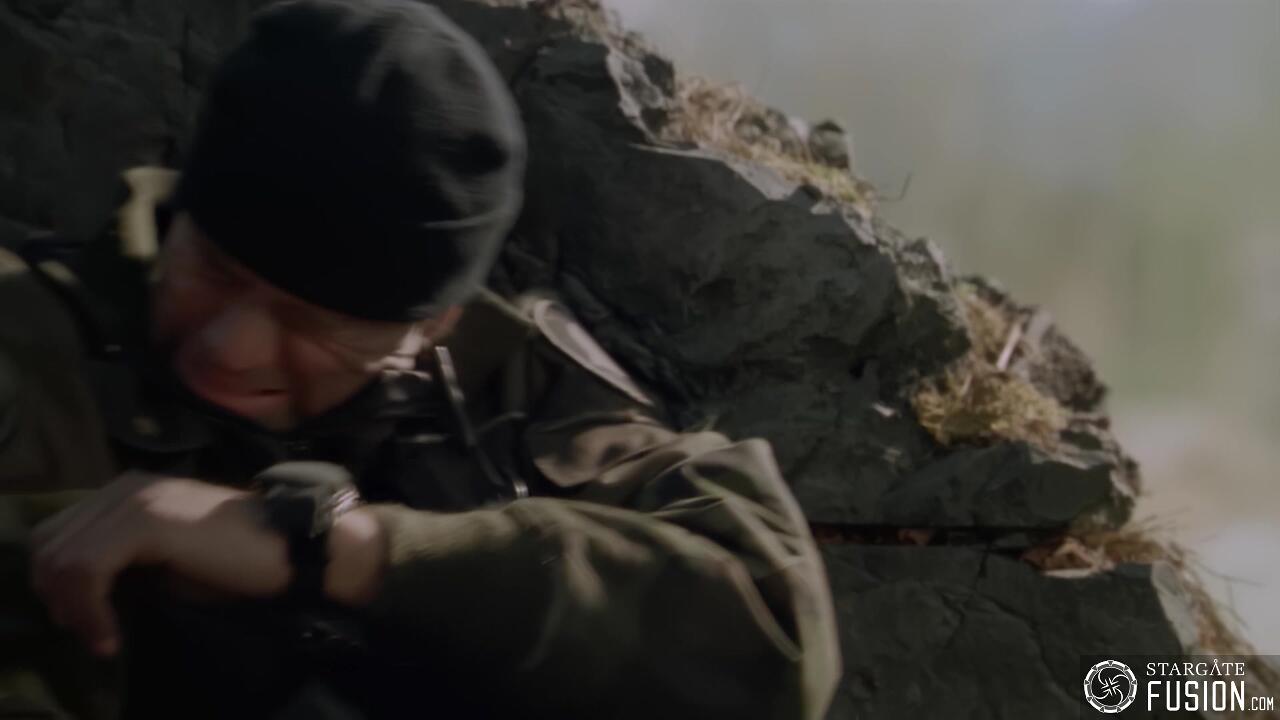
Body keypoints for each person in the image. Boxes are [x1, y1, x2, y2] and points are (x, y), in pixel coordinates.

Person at [0, 0, 840, 718]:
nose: (230, 346)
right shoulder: (26, 341)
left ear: (433, 322)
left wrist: (351, 554)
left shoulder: (519, 404)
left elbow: (775, 642)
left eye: (311, 322)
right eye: (215, 270)